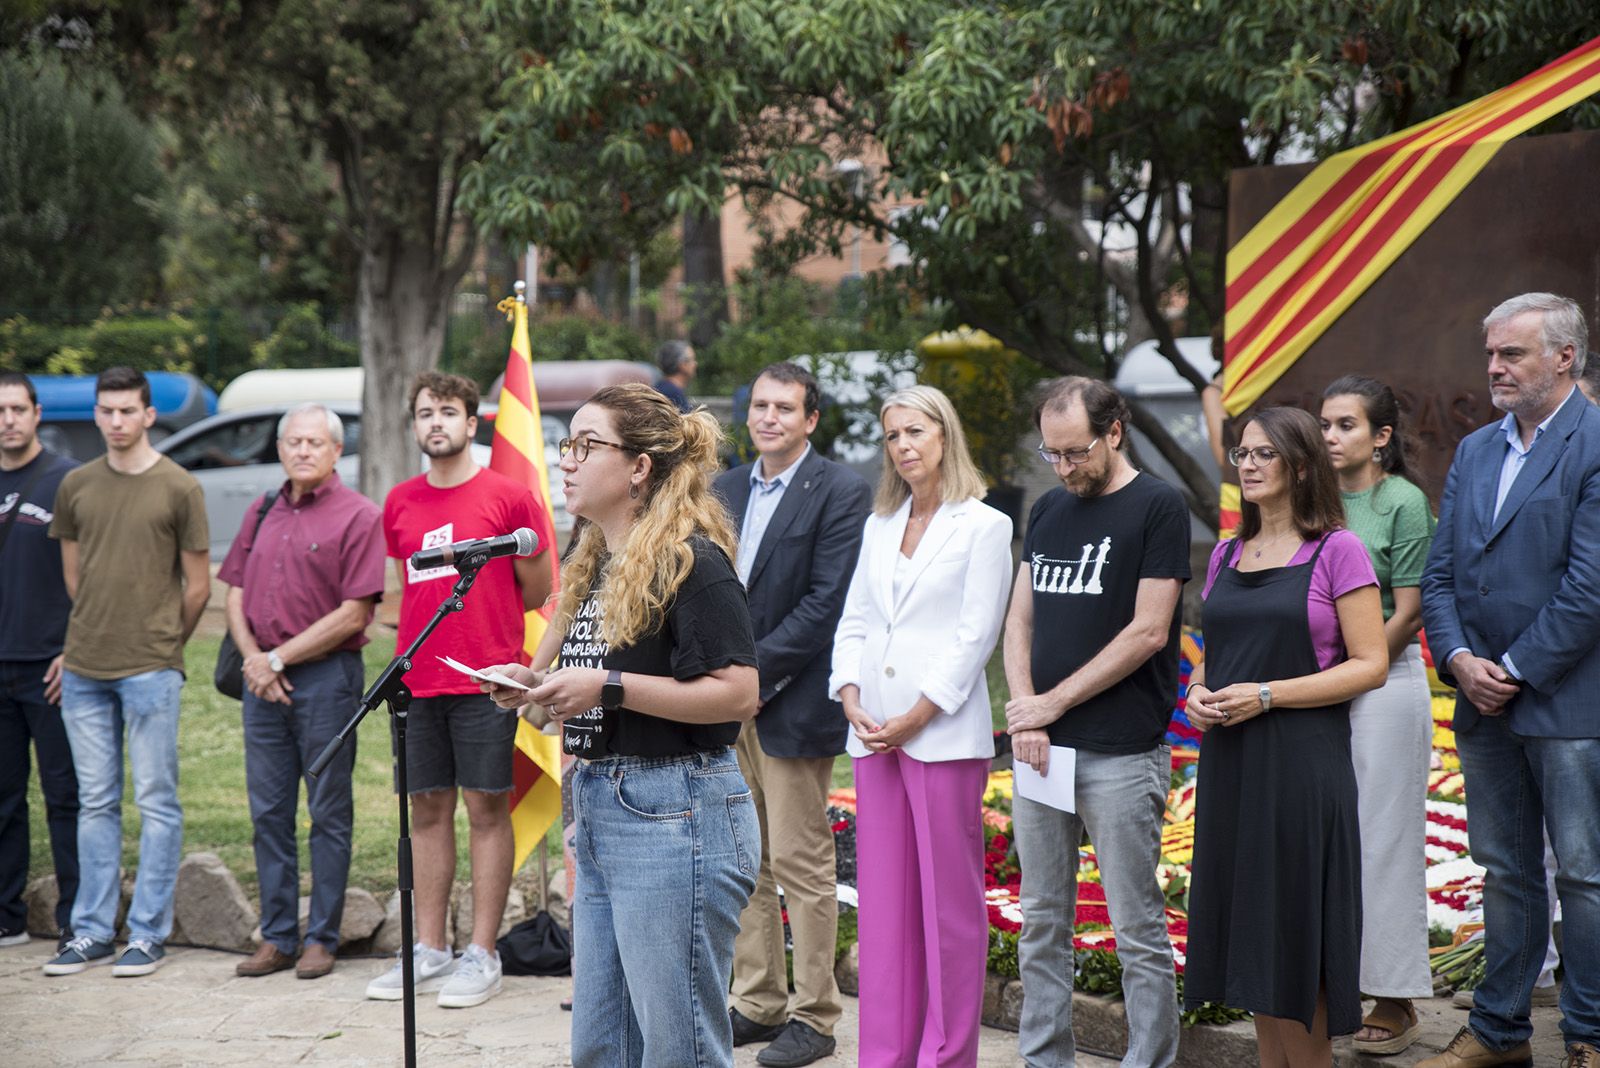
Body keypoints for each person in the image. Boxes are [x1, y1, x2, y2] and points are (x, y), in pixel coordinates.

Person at [481, 383, 760, 1067]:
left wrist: (607, 686)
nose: (566, 460)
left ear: (639, 467)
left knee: (678, 1050)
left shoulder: (692, 561)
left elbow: (738, 693)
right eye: (566, 445)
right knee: (602, 1046)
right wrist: (533, 690)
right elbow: (570, 699)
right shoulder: (596, 564)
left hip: (678, 813)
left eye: (587, 445)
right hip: (604, 807)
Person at [1419, 293, 1600, 1068]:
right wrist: (1460, 661)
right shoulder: (1474, 451)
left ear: (1565, 357)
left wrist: (1515, 671)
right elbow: (1440, 578)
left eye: (1512, 354)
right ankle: (1499, 1035)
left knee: (1587, 878)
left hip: (1565, 702)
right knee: (1507, 870)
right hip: (1482, 701)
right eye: (1491, 353)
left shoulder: (1594, 444)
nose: (1493, 367)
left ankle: (1589, 1036)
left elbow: (1590, 587)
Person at [1183, 405, 1387, 1067]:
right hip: (1231, 766)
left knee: (1296, 952)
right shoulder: (1224, 553)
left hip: (1301, 767)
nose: (1247, 464)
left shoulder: (1338, 549)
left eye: (1263, 453)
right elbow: (1222, 654)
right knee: (1255, 953)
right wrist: (1197, 690)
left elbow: (1370, 664)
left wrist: (1268, 696)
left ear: (1301, 465)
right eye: (1242, 453)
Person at [1002, 377, 1187, 1068]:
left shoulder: (1157, 507)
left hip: (1119, 752)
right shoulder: (1050, 509)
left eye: (1075, 452)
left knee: (1135, 926)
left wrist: (1052, 705)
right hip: (1041, 750)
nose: (1064, 467)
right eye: (1051, 454)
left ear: (1115, 432)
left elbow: (1148, 632)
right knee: (1043, 920)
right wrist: (1027, 711)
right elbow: (1019, 619)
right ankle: (1044, 1059)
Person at [829, 384, 1013, 1068]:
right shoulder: (880, 524)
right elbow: (855, 619)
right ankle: (884, 1056)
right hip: (873, 732)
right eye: (892, 437)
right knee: (885, 910)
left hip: (938, 736)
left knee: (947, 911)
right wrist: (848, 693)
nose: (903, 446)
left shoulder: (986, 526)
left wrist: (916, 715)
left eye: (915, 432)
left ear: (944, 435)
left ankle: (946, 1055)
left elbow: (975, 637)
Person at [373, 372, 555, 1008]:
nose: (436, 423)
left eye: (447, 412)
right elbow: (406, 588)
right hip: (417, 680)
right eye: (424, 413)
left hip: (486, 678)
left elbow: (536, 589)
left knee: (485, 808)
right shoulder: (398, 502)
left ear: (471, 423)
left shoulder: (510, 496)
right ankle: (429, 948)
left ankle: (482, 952)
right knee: (425, 810)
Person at [715, 362, 872, 1067]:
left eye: (784, 407)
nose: (768, 417)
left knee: (802, 866)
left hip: (790, 701)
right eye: (759, 405)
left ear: (811, 420)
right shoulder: (723, 488)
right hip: (720, 702)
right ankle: (757, 1001)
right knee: (745, 859)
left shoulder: (841, 491)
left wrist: (751, 677)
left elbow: (826, 603)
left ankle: (814, 1015)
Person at [43, 366, 210, 978]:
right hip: (85, 667)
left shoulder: (179, 487)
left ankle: (146, 933)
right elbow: (73, 577)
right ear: (97, 415)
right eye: (106, 411)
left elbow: (198, 587)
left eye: (126, 411)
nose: (116, 421)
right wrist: (88, 634)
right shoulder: (76, 486)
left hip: (151, 669)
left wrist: (166, 642)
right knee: (95, 802)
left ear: (147, 416)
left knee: (157, 801)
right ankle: (89, 931)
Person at [219, 403, 385, 980]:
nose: (303, 451)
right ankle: (278, 936)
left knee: (328, 810)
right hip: (262, 680)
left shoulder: (359, 515)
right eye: (293, 441)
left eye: (315, 442)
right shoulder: (262, 509)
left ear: (337, 451)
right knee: (267, 812)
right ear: (281, 448)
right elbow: (234, 593)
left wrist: (278, 657)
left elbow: (354, 612)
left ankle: (322, 938)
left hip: (326, 679)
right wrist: (252, 661)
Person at [1318, 375, 1437, 1055]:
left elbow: (1410, 609)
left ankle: (1394, 997)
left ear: (1381, 437)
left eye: (1346, 425)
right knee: (1329, 835)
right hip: (1318, 683)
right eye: (1325, 425)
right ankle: (1336, 979)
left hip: (1387, 682)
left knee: (1384, 839)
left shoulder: (1403, 503)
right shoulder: (1315, 500)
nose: (1331, 437)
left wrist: (1355, 673)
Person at [0, 371, 79, 949]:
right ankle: (8, 916)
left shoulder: (63, 481)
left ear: (36, 412)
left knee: (64, 796)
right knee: (4, 798)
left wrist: (71, 651)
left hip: (49, 666)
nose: (7, 420)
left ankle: (77, 916)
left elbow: (88, 576)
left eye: (17, 409)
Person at [653, 340, 697, 412]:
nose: (695, 364)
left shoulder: (660, 387)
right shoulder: (673, 394)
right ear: (682, 365)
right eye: (692, 360)